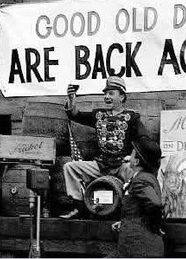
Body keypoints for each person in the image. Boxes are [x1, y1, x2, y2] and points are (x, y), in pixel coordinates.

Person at [60, 76, 149, 219]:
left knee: (136, 175)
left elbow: (143, 139)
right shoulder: (98, 115)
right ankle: (79, 207)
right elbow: (75, 115)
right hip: (100, 164)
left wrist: (133, 157)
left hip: (121, 165)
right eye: (105, 93)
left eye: (111, 93)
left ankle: (133, 213)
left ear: (121, 97)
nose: (107, 97)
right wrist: (72, 99)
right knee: (70, 167)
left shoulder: (131, 117)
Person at [109, 136, 164, 258]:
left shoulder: (141, 179)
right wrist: (126, 222)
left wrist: (153, 226)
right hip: (134, 248)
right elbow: (140, 208)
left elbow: (155, 204)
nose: (128, 158)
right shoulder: (145, 177)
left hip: (140, 248)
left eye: (132, 155)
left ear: (137, 162)